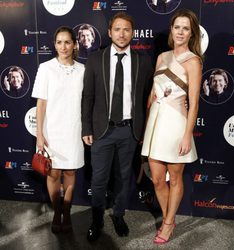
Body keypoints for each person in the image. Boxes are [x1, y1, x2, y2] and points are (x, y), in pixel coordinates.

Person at [82, 12, 153, 242]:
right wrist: (86, 128)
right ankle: (96, 219)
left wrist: (143, 130)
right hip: (102, 130)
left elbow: (146, 99)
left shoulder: (143, 61)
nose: (122, 34)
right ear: (110, 32)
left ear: (132, 33)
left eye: (126, 30)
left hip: (129, 131)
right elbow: (88, 97)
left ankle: (119, 215)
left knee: (123, 178)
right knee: (99, 179)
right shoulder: (96, 59)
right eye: (117, 29)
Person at [141, 9, 202, 245]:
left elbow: (195, 102)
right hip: (156, 122)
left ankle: (168, 222)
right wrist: (146, 124)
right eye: (177, 27)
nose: (180, 32)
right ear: (172, 29)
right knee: (157, 178)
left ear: (191, 33)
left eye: (186, 28)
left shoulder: (193, 60)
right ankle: (170, 217)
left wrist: (187, 135)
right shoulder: (162, 57)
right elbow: (153, 92)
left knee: (175, 177)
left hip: (176, 123)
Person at [32, 26, 85, 234]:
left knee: (71, 171)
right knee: (53, 173)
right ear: (54, 45)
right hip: (52, 130)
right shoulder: (46, 68)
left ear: (74, 45)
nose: (63, 46)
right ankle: (56, 212)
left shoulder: (83, 70)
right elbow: (41, 104)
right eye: (59, 42)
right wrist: (39, 133)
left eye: (67, 42)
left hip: (74, 128)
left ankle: (67, 211)